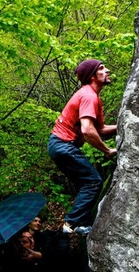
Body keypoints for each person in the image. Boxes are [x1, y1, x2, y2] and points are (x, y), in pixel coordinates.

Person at [47, 59, 117, 235]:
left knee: (87, 183)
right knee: (93, 182)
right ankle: (71, 223)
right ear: (92, 76)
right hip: (63, 144)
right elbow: (87, 130)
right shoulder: (88, 96)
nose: (107, 70)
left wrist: (122, 126)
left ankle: (80, 223)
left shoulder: (93, 97)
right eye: (101, 69)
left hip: (58, 145)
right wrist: (107, 151)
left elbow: (100, 129)